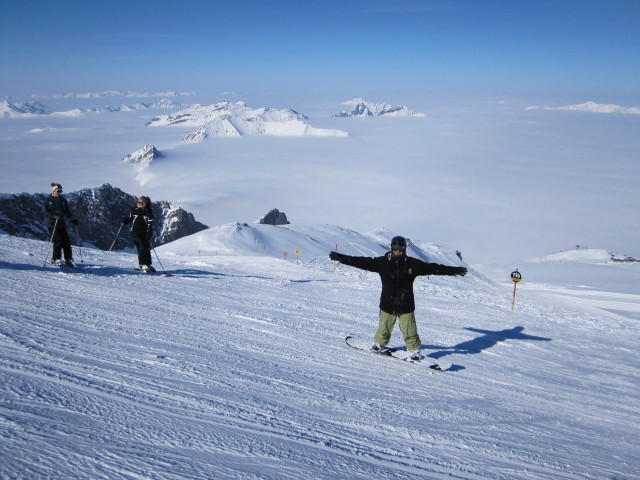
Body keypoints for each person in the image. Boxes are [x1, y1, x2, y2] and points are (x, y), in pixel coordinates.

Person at [329, 235, 467, 361]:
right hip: (387, 303)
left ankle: (414, 351)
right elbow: (361, 262)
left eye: (400, 249)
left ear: (404, 249)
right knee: (384, 326)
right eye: (395, 248)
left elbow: (433, 268)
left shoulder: (412, 264)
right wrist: (340, 257)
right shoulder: (382, 262)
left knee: (409, 329)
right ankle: (379, 344)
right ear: (392, 248)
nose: (398, 251)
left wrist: (454, 270)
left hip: (406, 304)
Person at [44, 183, 79, 267]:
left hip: (61, 224)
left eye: (61, 191)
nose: (60, 193)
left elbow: (67, 211)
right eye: (58, 191)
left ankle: (68, 259)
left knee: (66, 241)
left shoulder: (63, 200)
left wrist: (72, 218)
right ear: (53, 191)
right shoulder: (48, 200)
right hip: (52, 224)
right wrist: (53, 214)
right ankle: (56, 259)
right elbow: (45, 212)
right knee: (58, 240)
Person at [122, 196, 155, 272]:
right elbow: (130, 219)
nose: (138, 203)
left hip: (144, 233)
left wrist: (149, 233)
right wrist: (125, 221)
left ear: (145, 203)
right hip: (135, 232)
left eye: (140, 202)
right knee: (141, 246)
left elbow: (150, 224)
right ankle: (143, 265)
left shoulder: (148, 212)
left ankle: (148, 264)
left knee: (146, 247)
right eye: (138, 202)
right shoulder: (134, 210)